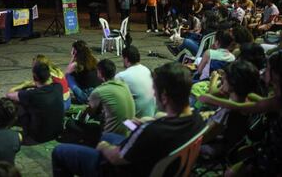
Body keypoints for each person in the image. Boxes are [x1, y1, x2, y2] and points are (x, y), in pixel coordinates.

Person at [52, 62, 205, 176]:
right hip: (159, 161)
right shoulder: (197, 119)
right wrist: (150, 121)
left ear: (164, 96)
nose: (154, 95)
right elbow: (168, 123)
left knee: (59, 152)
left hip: (123, 169)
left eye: (155, 91)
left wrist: (104, 147)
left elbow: (116, 158)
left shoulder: (151, 131)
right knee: (107, 135)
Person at [199, 52, 282, 176]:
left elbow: (202, 138)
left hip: (270, 155)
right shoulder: (268, 98)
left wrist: (209, 98)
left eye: (268, 68)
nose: (264, 72)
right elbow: (256, 103)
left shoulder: (277, 101)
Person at [200, 60, 259, 158]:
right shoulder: (249, 102)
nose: (222, 79)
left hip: (213, 146)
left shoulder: (228, 110)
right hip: (229, 144)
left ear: (233, 83)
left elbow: (203, 138)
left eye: (224, 78)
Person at [6, 62, 64, 143]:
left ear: (34, 77)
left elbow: (9, 94)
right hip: (56, 133)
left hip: (37, 137)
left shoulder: (32, 94)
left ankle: (3, 127)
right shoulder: (58, 87)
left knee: (13, 103)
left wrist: (23, 85)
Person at [87, 59, 135, 136]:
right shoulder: (124, 85)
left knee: (72, 124)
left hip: (112, 136)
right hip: (130, 129)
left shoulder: (99, 91)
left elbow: (89, 113)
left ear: (100, 73)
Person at [115, 46, 155, 118]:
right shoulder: (146, 70)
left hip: (134, 123)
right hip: (151, 117)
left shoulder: (121, 76)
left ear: (126, 59)